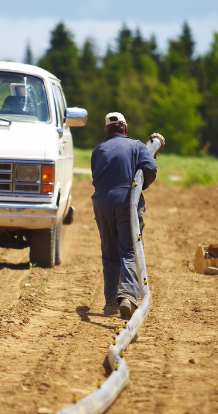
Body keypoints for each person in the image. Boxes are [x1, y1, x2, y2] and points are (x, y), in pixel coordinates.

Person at [91, 112, 158, 320]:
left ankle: (111, 303)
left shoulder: (97, 150)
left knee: (109, 253)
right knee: (129, 250)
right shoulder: (136, 145)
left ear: (106, 131)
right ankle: (128, 297)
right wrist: (139, 188)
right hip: (125, 200)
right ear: (125, 129)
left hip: (101, 202)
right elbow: (150, 168)